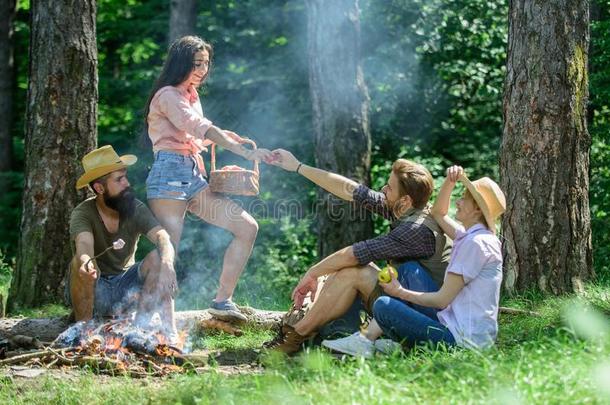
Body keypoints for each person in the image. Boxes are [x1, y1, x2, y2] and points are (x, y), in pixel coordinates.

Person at [267, 149, 451, 354]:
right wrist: (298, 166)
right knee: (344, 269)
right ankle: (311, 333)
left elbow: (354, 254)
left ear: (405, 200)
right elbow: (351, 190)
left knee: (353, 270)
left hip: (427, 322)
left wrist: (311, 272)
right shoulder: (408, 208)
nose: (383, 189)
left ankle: (293, 339)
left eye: (389, 188)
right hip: (412, 305)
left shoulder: (416, 230)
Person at [143, 36, 274, 322]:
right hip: (168, 175)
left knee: (246, 227)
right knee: (168, 254)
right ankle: (161, 323)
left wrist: (230, 138)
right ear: (180, 64)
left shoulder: (191, 94)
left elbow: (195, 134)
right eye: (196, 64)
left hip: (193, 173)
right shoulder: (167, 94)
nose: (202, 70)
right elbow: (197, 126)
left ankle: (222, 301)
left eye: (205, 63)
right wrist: (238, 149)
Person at [322, 165, 506, 356]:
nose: (458, 201)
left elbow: (442, 300)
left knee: (383, 306)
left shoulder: (475, 244)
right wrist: (450, 181)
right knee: (409, 269)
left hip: (461, 342)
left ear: (476, 209)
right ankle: (376, 339)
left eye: (464, 198)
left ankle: (367, 339)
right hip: (456, 325)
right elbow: (438, 213)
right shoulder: (474, 237)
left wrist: (400, 292)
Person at [67, 145, 178, 336]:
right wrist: (86, 262)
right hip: (94, 289)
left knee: (158, 257)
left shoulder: (134, 208)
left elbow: (163, 237)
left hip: (126, 291)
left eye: (125, 176)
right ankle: (83, 335)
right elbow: (84, 245)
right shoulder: (83, 213)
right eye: (119, 179)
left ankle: (138, 333)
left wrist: (168, 264)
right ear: (99, 188)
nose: (127, 183)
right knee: (78, 262)